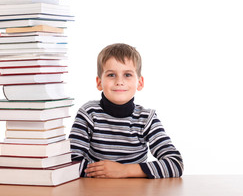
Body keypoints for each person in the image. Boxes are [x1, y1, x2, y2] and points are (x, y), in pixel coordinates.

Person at [69, 43, 183, 178]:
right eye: (111, 75)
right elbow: (70, 162)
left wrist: (124, 171)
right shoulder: (88, 113)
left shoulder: (147, 118)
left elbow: (175, 164)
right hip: (96, 188)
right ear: (99, 82)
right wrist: (104, 173)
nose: (119, 81)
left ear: (139, 83)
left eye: (127, 75)